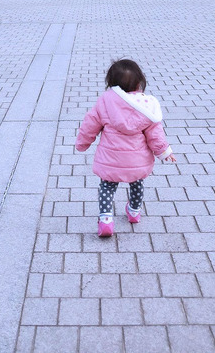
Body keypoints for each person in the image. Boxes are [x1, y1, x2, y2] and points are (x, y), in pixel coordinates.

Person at [75, 58, 176, 237]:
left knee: (107, 186)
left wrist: (82, 144)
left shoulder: (105, 101)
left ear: (111, 83)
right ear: (139, 83)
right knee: (137, 183)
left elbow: (90, 124)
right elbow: (155, 133)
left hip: (111, 159)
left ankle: (106, 220)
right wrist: (164, 151)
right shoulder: (147, 106)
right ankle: (134, 212)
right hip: (136, 160)